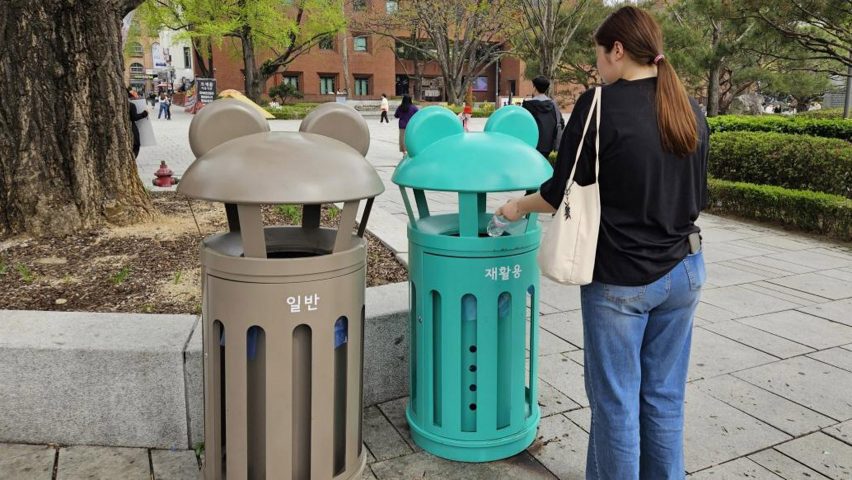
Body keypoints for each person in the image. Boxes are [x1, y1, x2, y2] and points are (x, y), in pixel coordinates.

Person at [497, 6, 709, 479]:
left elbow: (557, 194)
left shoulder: (597, 106)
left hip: (621, 280)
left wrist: (515, 208)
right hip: (685, 271)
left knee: (615, 404)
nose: (597, 68)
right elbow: (697, 196)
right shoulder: (689, 107)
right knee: (664, 397)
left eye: (599, 56)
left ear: (617, 50)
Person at [522, 76, 564, 157]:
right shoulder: (553, 105)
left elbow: (523, 124)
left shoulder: (527, 105)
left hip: (531, 144)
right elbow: (561, 122)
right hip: (548, 146)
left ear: (534, 87)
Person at [127, 87, 148, 158]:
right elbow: (134, 117)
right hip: (131, 127)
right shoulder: (131, 105)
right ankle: (132, 159)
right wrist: (144, 114)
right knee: (136, 144)